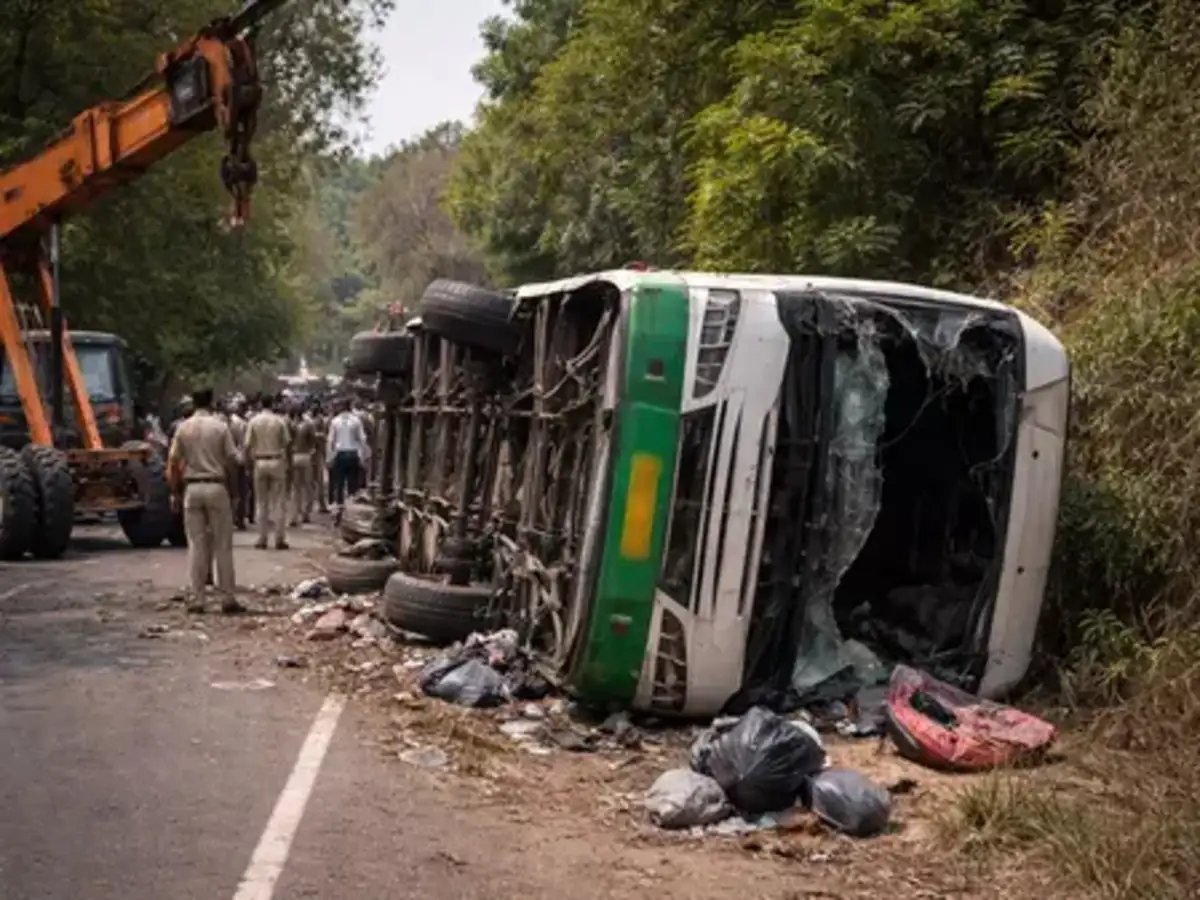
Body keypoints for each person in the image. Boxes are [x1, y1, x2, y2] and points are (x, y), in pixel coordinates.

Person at [166, 387, 242, 614]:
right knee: (223, 546)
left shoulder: (183, 428)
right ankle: (227, 598)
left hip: (192, 488)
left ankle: (198, 598)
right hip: (216, 486)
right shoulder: (220, 427)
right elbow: (232, 460)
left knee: (196, 545)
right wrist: (234, 490)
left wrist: (175, 492)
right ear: (211, 402)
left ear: (193, 402)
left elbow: (173, 462)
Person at [244, 393, 292, 550]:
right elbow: (287, 443)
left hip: (259, 461)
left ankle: (262, 538)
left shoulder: (254, 421)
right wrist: (288, 464)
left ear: (260, 404)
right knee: (278, 501)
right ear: (273, 404)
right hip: (276, 460)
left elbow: (247, 445)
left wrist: (248, 465)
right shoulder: (279, 421)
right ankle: (279, 538)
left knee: (261, 502)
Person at [327, 398, 368, 518]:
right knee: (352, 485)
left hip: (340, 455)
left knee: (339, 484)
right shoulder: (356, 421)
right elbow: (362, 439)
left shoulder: (335, 421)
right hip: (353, 455)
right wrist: (363, 456)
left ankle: (339, 509)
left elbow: (330, 441)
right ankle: (349, 510)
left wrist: (329, 457)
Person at [288, 401, 317, 527]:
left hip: (294, 456)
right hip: (305, 455)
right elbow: (313, 440)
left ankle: (294, 516)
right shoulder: (308, 424)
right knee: (308, 487)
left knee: (295, 488)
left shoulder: (289, 424)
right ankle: (306, 513)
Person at [310, 399, 329, 515]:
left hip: (310, 453)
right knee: (318, 480)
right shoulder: (319, 421)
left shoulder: (308, 421)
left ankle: (311, 505)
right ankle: (320, 504)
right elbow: (322, 440)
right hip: (316, 454)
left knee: (312, 481)